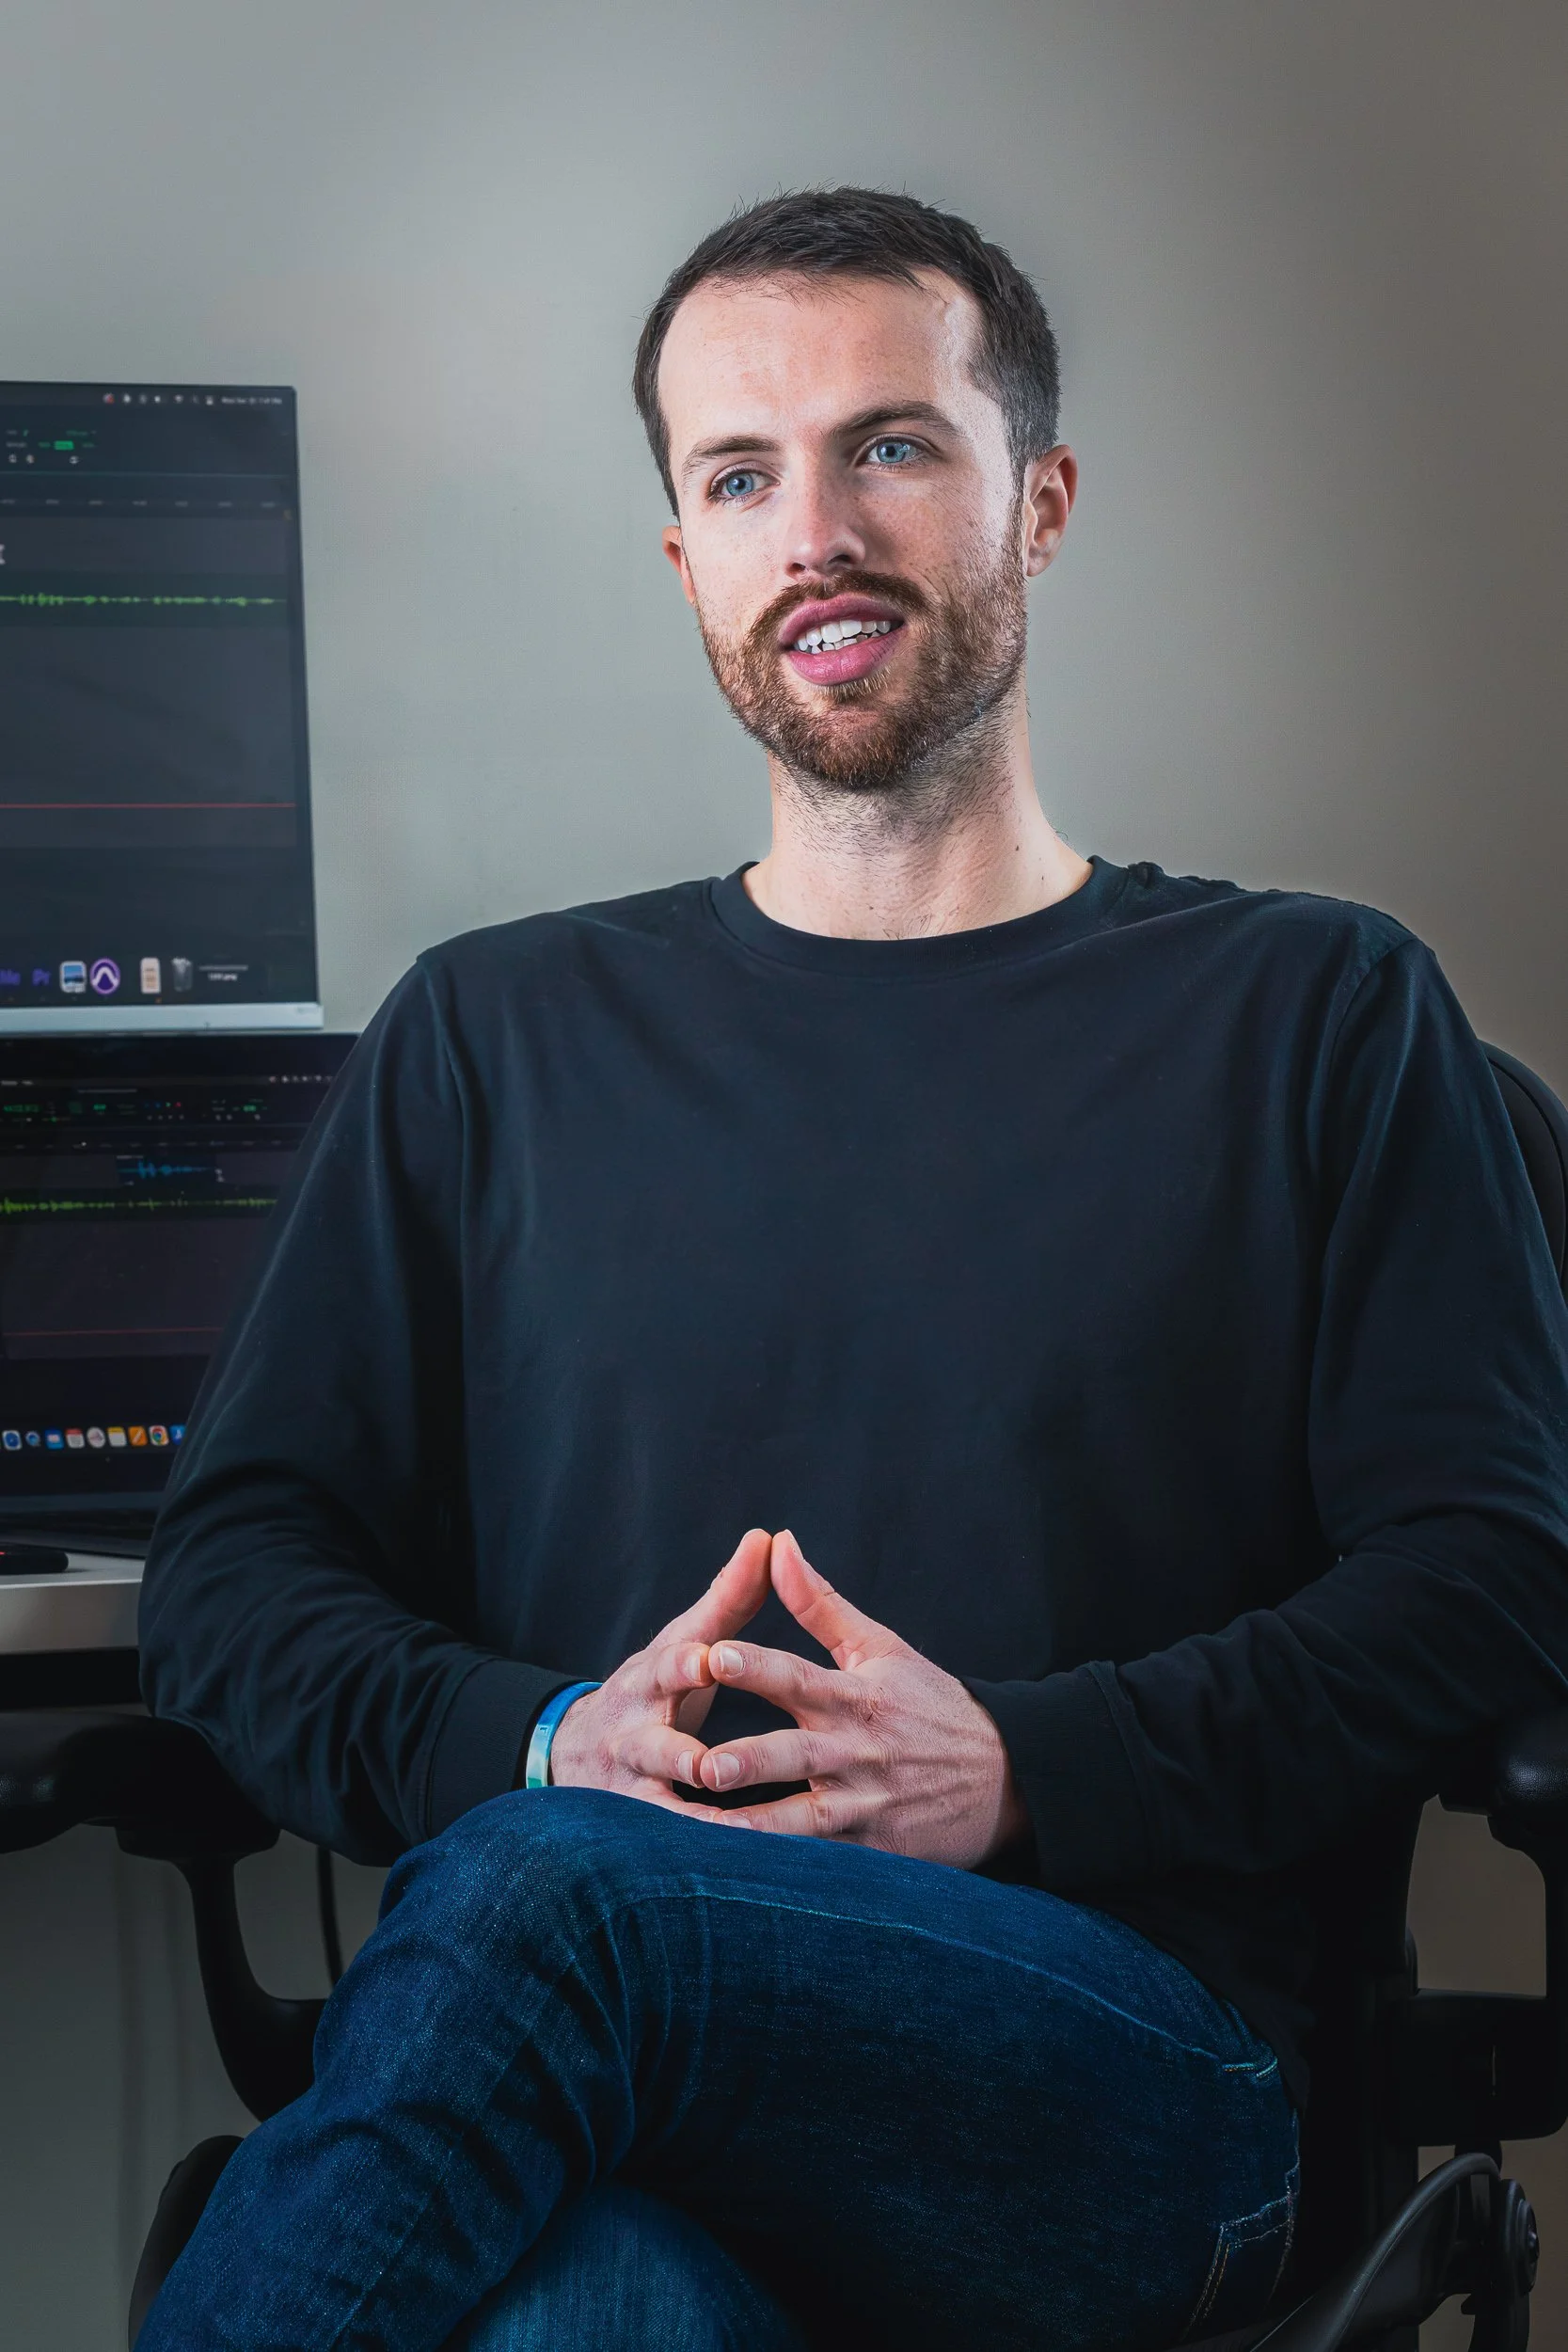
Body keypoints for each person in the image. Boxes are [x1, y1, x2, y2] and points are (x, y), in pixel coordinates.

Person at [135, 187, 1568, 2352]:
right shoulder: (492, 1036)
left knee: (555, 1921)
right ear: (684, 560)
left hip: (1130, 2087)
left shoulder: (1314, 1012)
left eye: (888, 445)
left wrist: (1024, 1771)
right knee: (583, 2296)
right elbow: (231, 1575)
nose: (811, 526)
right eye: (738, 474)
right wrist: (536, 1741)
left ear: (1039, 499)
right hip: (597, 2076)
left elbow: (1488, 1570)